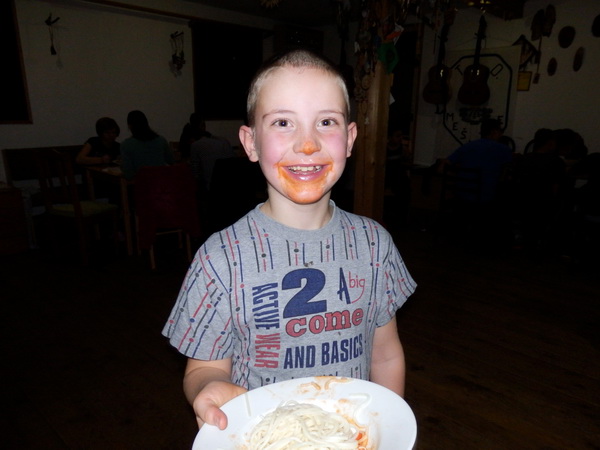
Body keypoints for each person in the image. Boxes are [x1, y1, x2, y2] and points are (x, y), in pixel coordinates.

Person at [162, 49, 417, 430]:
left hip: (351, 434)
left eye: (326, 122)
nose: (307, 144)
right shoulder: (219, 259)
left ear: (349, 139)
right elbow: (203, 369)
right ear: (250, 142)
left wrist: (389, 428)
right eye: (283, 123)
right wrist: (209, 386)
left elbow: (385, 355)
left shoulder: (375, 245)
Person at [442, 118, 513, 205]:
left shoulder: (467, 146)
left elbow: (444, 165)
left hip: (461, 196)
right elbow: (508, 172)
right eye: (500, 131)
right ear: (494, 132)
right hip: (485, 198)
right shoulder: (503, 149)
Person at [120, 110, 174, 180]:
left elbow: (129, 174)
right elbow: (171, 161)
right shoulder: (161, 140)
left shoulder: (126, 145)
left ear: (130, 126)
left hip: (140, 183)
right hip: (161, 182)